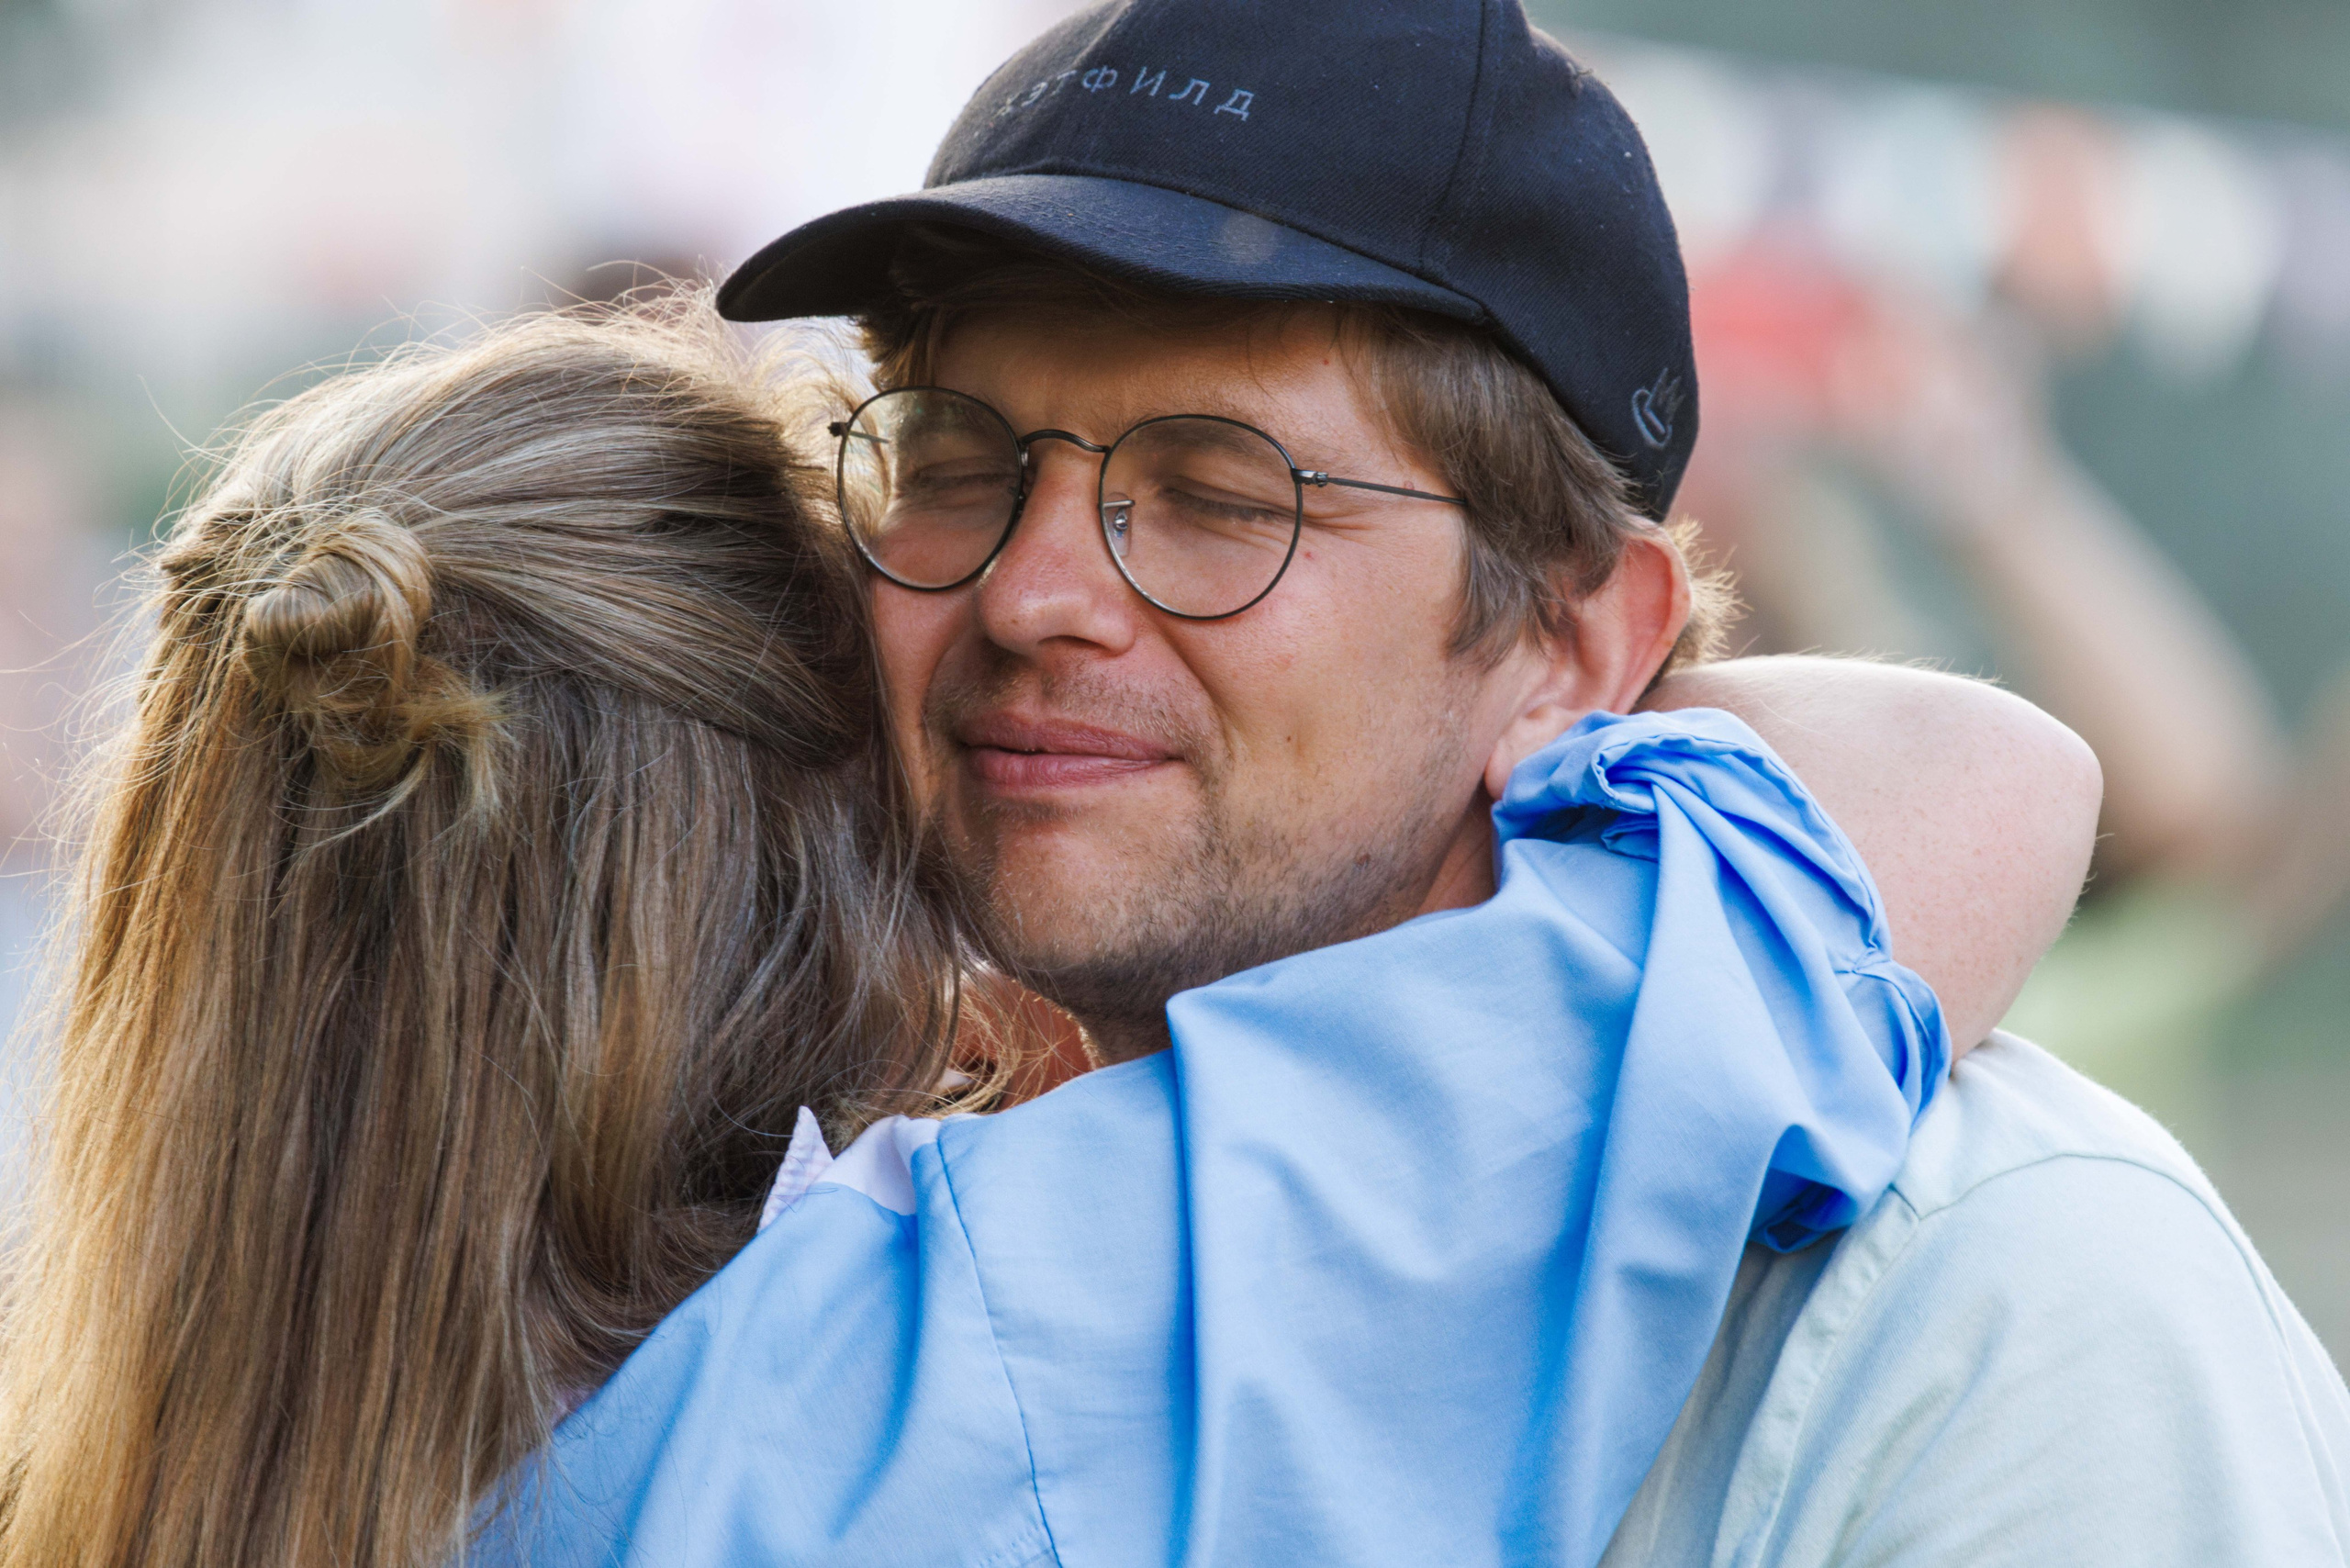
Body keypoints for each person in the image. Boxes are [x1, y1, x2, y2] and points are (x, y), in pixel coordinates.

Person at [693, 0, 2350, 1560]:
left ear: (1568, 648)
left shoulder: (1996, 1304)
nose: (1026, 590)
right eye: (956, 465)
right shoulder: (797, 1205)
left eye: (1216, 493)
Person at [0, 295, 2009, 1568]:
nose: (1032, 609)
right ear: (800, 877)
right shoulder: (953, 1355)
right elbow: (1969, 785)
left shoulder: (101, 1449)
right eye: (953, 490)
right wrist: (1547, 683)